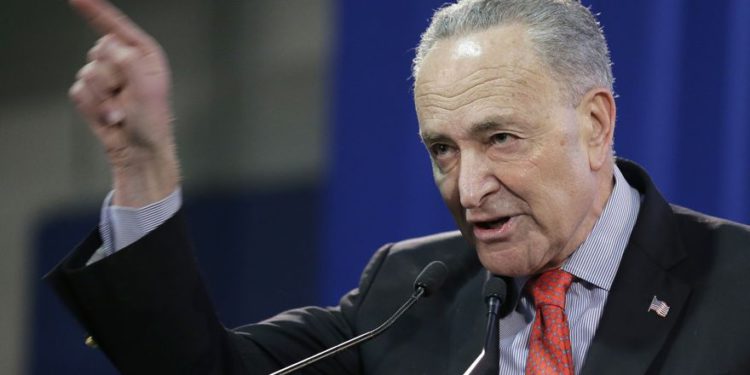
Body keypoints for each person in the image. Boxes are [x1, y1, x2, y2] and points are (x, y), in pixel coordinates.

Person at [48, 0, 750, 374]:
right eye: (443, 149)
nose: (469, 187)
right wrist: (142, 167)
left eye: (500, 137)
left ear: (595, 124)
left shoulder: (737, 286)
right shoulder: (409, 291)